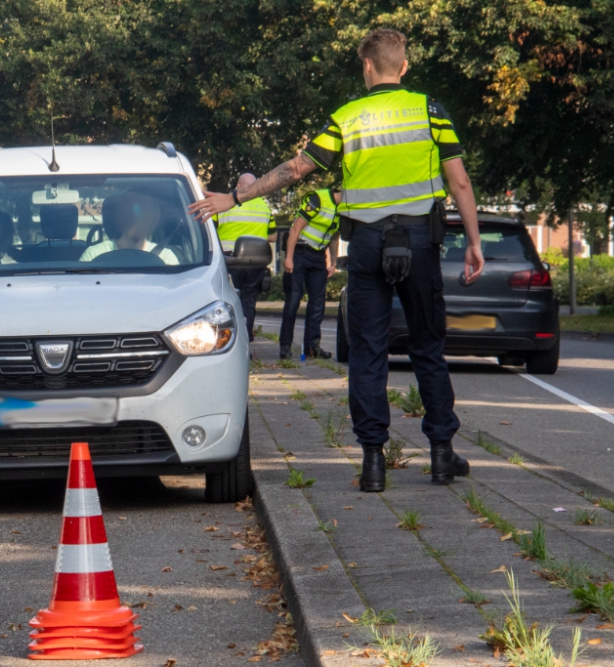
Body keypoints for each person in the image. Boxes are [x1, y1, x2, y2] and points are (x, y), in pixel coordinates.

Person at [189, 28, 485, 493]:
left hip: (366, 247)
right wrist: (473, 241)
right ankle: (442, 454)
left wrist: (237, 195)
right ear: (403, 67)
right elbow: (460, 182)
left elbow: (296, 169)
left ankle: (372, 462)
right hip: (421, 244)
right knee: (428, 347)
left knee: (367, 353)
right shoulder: (430, 111)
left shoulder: (347, 118)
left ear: (367, 66)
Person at [212, 173, 277, 342]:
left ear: (238, 186)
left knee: (226, 301)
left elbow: (211, 229)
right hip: (255, 262)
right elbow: (273, 236)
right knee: (249, 301)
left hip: (230, 260)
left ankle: (226, 342)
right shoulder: (265, 207)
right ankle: (245, 340)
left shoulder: (226, 203)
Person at [280, 188, 341, 360]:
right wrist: (289, 258)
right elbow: (295, 229)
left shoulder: (344, 209)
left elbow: (334, 236)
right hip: (300, 252)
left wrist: (333, 262)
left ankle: (312, 347)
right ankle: (285, 346)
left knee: (318, 303)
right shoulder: (318, 198)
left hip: (318, 257)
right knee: (293, 300)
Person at [80, 191, 179, 265]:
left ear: (154, 221)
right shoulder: (93, 255)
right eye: (131, 212)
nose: (137, 218)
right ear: (119, 218)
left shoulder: (166, 258)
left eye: (144, 213)